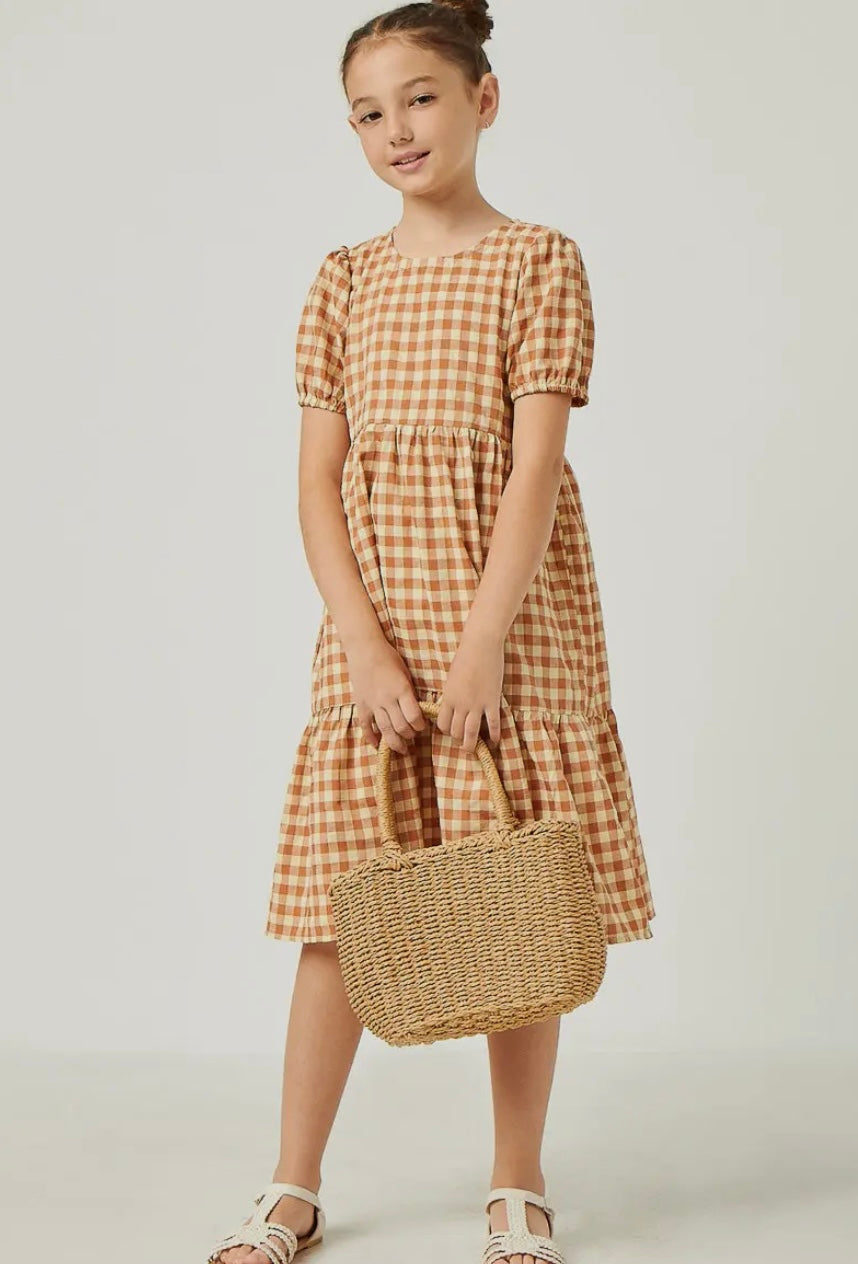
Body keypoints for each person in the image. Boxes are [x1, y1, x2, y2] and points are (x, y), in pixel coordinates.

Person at [207, 3, 656, 1263]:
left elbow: (531, 469)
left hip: (509, 630)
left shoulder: (538, 262)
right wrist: (361, 641)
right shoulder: (343, 280)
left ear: (482, 100)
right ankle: (293, 1184)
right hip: (375, 629)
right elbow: (314, 484)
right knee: (343, 908)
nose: (395, 129)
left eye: (418, 98)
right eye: (367, 111)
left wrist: (479, 648)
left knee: (519, 907)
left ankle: (518, 1179)